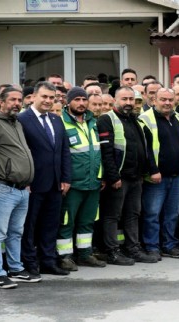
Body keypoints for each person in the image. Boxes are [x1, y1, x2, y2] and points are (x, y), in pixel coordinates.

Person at [0, 87, 39, 289]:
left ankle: (16, 269)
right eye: (12, 100)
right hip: (2, 187)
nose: (17, 103)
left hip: (22, 189)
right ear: (1, 102)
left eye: (19, 99)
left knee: (16, 232)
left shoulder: (16, 123)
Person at [98, 86, 157, 265]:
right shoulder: (106, 119)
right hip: (119, 179)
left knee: (133, 214)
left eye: (131, 99)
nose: (128, 103)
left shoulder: (136, 120)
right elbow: (106, 152)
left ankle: (132, 248)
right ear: (115, 100)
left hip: (136, 177)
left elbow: (146, 148)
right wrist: (113, 177)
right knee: (112, 216)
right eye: (124, 99)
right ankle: (112, 251)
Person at [19, 81, 72, 276]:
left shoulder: (56, 119)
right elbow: (20, 153)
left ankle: (48, 260)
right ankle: (29, 263)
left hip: (56, 184)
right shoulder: (22, 120)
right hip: (33, 184)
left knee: (51, 224)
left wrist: (66, 178)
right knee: (29, 226)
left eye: (52, 98)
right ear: (33, 96)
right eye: (44, 97)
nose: (48, 101)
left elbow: (64, 150)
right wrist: (26, 180)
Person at [56, 87, 107, 271]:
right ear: (68, 102)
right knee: (67, 221)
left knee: (87, 220)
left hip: (93, 182)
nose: (81, 103)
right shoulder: (61, 122)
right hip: (73, 183)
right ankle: (65, 256)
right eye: (77, 99)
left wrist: (101, 176)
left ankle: (85, 254)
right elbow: (60, 156)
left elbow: (97, 152)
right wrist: (63, 179)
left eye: (84, 99)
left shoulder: (92, 121)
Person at [139, 87, 179, 259]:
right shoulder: (146, 119)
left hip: (176, 175)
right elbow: (145, 149)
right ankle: (152, 246)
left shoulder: (178, 118)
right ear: (154, 101)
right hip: (156, 177)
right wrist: (153, 170)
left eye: (170, 99)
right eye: (163, 99)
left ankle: (169, 245)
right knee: (152, 214)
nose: (167, 103)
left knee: (172, 213)